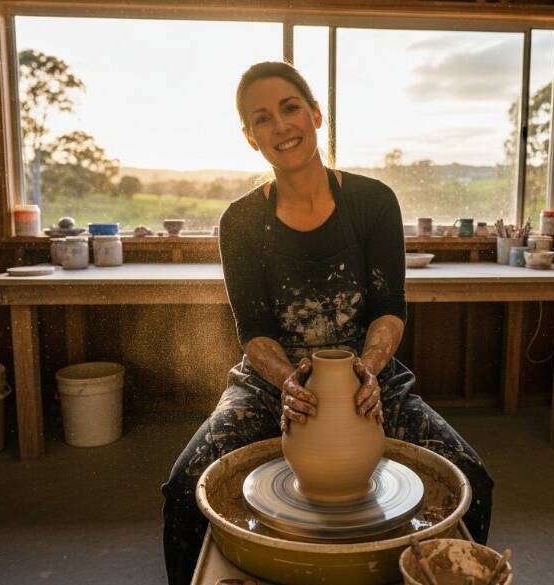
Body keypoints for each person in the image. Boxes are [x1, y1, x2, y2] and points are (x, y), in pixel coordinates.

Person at [161, 61, 494, 585]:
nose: (281, 126)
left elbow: (389, 307)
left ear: (316, 115)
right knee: (185, 486)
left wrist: (371, 366)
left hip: (368, 380)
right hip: (274, 382)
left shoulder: (372, 202)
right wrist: (286, 380)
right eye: (262, 118)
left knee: (470, 476)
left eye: (290, 108)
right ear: (251, 138)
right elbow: (253, 329)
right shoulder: (242, 221)